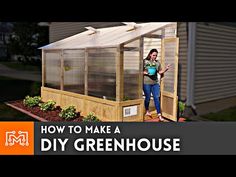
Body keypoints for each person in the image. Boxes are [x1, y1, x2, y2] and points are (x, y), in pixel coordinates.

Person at [143, 49, 171, 121]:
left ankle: (159, 115)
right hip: (146, 83)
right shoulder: (145, 62)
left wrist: (166, 69)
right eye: (154, 55)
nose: (155, 57)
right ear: (150, 54)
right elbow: (140, 70)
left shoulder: (157, 63)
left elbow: (160, 72)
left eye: (156, 55)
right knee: (148, 97)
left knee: (156, 98)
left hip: (155, 83)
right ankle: (147, 110)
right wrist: (146, 73)